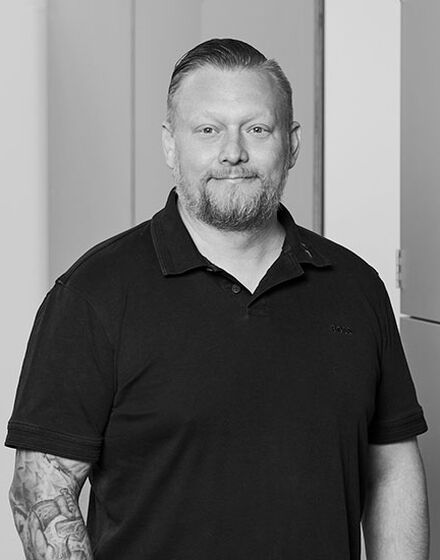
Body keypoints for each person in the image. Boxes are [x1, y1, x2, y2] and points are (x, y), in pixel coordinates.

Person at [6, 38, 429, 560]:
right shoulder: (93, 295)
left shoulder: (356, 287)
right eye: (207, 130)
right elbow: (42, 491)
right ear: (170, 145)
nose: (233, 152)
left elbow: (390, 469)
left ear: (292, 144)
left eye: (257, 129)